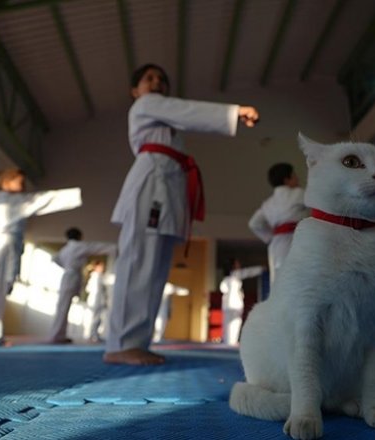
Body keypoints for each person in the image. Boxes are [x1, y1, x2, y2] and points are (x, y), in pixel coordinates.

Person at [106, 63, 260, 365]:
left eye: (162, 79)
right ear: (134, 91)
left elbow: (178, 113)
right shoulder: (147, 104)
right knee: (139, 263)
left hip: (167, 188)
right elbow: (185, 110)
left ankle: (137, 341)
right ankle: (121, 342)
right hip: (151, 187)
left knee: (156, 268)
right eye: (149, 79)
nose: (157, 82)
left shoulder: (165, 124)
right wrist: (232, 113)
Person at [0, 168, 81, 348]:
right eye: (19, 181)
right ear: (5, 183)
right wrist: (75, 195)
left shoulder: (5, 203)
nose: (23, 185)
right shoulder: (9, 203)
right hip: (0, 250)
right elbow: (41, 201)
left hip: (5, 248)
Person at [49, 228, 116, 344]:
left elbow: (55, 258)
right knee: (63, 307)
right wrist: (114, 248)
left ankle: (59, 334)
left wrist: (66, 266)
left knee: (62, 307)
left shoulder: (66, 249)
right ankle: (56, 336)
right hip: (71, 276)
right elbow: (96, 247)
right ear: (79, 236)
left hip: (68, 275)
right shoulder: (78, 246)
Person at [248, 163, 307, 285]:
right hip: (296, 240)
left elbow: (254, 223)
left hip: (277, 245)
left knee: (279, 282)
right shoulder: (298, 194)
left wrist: (271, 237)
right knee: (301, 281)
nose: (298, 179)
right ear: (287, 180)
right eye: (294, 175)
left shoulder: (268, 203)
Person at [219, 259, 265, 346]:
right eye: (237, 264)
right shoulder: (236, 275)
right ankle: (231, 342)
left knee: (228, 322)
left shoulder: (226, 279)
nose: (239, 265)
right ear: (233, 266)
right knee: (234, 323)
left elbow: (223, 289)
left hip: (227, 305)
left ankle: (227, 341)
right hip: (235, 304)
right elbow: (248, 272)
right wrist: (260, 269)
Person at [83, 260, 111, 343]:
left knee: (98, 319)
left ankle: (95, 335)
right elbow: (93, 290)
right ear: (97, 267)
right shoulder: (95, 276)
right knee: (95, 319)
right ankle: (92, 336)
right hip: (95, 300)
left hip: (99, 300)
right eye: (101, 266)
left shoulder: (100, 276)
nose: (103, 268)